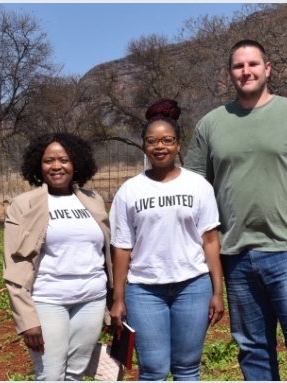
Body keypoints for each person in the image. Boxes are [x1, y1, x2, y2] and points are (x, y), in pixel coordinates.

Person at [182, 39, 287, 381]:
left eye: (253, 64)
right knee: (252, 348)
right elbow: (194, 188)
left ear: (267, 69)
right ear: (230, 74)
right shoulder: (211, 124)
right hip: (235, 254)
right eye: (238, 66)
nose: (246, 71)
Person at [109, 99, 225, 381]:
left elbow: (210, 240)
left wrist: (217, 291)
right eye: (152, 141)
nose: (160, 147)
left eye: (167, 140)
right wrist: (118, 298)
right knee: (153, 369)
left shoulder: (198, 186)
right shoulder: (129, 191)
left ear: (178, 144)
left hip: (193, 287)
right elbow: (122, 247)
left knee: (187, 368)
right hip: (144, 291)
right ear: (144, 146)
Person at [3, 133, 112, 381]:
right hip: (48, 300)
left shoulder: (93, 201)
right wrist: (26, 319)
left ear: (76, 164)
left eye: (64, 159)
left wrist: (111, 302)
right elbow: (14, 264)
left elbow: (106, 254)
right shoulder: (23, 204)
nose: (56, 166)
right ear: (38, 166)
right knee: (50, 375)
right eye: (48, 160)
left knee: (75, 373)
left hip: (91, 300)